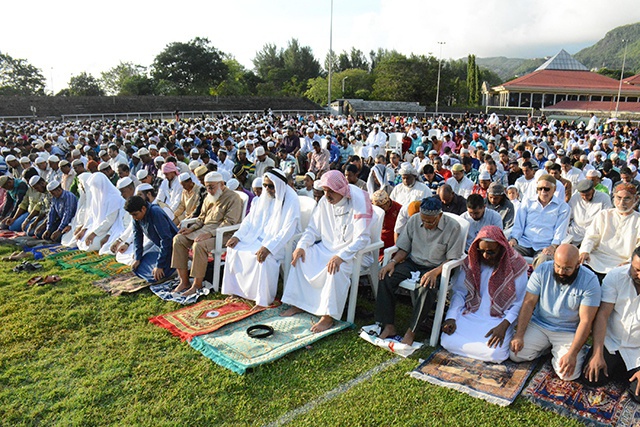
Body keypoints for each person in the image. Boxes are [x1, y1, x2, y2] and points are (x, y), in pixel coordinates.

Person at [280, 170, 373, 333]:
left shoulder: (357, 201)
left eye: (331, 191)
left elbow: (362, 238)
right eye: (325, 190)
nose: (327, 195)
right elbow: (312, 230)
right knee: (301, 257)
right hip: (328, 248)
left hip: (355, 253)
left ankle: (328, 317)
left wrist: (341, 256)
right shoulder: (324, 201)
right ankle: (299, 303)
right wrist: (301, 246)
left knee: (335, 268)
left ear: (341, 189)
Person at [375, 197, 464, 345]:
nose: (426, 224)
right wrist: (392, 262)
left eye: (430, 221)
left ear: (440, 216)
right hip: (413, 262)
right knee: (385, 276)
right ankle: (388, 326)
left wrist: (435, 272)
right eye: (424, 220)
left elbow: (452, 258)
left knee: (427, 287)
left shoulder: (453, 227)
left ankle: (412, 331)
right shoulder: (415, 220)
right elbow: (403, 248)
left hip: (437, 267)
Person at [509, 245, 600, 381]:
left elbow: (586, 321)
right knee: (515, 355)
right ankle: (548, 349)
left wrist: (572, 353)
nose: (561, 271)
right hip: (540, 323)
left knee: (568, 374)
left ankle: (557, 351)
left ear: (577, 264)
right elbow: (528, 303)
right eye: (557, 266)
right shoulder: (543, 270)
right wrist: (519, 334)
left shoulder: (590, 281)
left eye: (567, 268)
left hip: (568, 331)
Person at [441, 226, 528, 363]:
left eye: (491, 252)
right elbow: (460, 292)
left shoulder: (517, 265)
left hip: (499, 319)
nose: (485, 256)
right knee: (447, 341)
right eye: (481, 251)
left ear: (501, 248)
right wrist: (451, 317)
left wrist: (503, 326)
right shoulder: (472, 261)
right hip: (471, 313)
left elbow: (520, 302)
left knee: (496, 354)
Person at [222, 169, 301, 307]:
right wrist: (237, 236)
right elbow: (249, 221)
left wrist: (269, 247)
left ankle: (262, 300)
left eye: (271, 186)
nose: (267, 189)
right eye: (265, 185)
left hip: (282, 243)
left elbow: (287, 231)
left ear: (279, 185)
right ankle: (236, 291)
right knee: (234, 249)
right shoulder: (262, 199)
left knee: (264, 257)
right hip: (257, 238)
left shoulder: (291, 200)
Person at [582, 246, 640, 402]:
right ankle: (622, 370)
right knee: (592, 378)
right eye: (636, 269)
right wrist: (597, 354)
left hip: (637, 351)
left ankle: (627, 371)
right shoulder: (616, 276)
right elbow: (602, 315)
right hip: (611, 342)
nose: (639, 275)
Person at [171, 172, 243, 296]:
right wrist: (191, 229)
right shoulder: (209, 197)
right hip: (204, 230)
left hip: (224, 234)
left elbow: (230, 222)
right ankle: (184, 281)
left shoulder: (233, 198)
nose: (209, 190)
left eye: (211, 187)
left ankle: (197, 285)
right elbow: (201, 218)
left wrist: (210, 234)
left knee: (199, 245)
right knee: (178, 239)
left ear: (221, 184)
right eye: (207, 187)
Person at [579, 183, 640, 279]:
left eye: (627, 198)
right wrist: (585, 251)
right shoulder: (604, 214)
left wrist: (629, 262)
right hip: (597, 259)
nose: (621, 203)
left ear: (635, 199)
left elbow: (638, 248)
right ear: (613, 197)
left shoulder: (638, 219)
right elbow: (591, 237)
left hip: (623, 263)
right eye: (619, 198)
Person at [509, 175, 570, 265]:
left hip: (545, 245)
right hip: (524, 242)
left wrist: (553, 246)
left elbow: (560, 231)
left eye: (546, 189)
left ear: (554, 189)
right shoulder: (528, 202)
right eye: (540, 189)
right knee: (506, 253)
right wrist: (514, 238)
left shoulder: (563, 207)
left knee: (544, 261)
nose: (543, 192)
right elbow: (519, 225)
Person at [124, 195, 178, 283]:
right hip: (157, 245)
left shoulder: (155, 212)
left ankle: (173, 270)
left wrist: (160, 265)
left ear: (143, 209)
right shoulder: (136, 218)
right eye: (132, 215)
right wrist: (137, 258)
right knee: (137, 266)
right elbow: (137, 237)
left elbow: (166, 239)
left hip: (172, 247)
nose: (134, 217)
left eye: (135, 214)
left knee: (157, 275)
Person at [76, 172, 125, 252]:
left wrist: (94, 233)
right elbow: (91, 216)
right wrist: (84, 229)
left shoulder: (114, 197)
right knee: (80, 239)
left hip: (108, 229)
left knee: (92, 244)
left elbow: (109, 221)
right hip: (96, 226)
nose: (95, 189)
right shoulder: (96, 197)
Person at [565, 179, 612, 246]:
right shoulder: (575, 197)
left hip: (595, 233)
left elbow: (607, 218)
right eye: (582, 195)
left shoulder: (604, 198)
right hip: (576, 232)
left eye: (587, 195)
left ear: (592, 190)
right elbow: (568, 216)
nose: (585, 197)